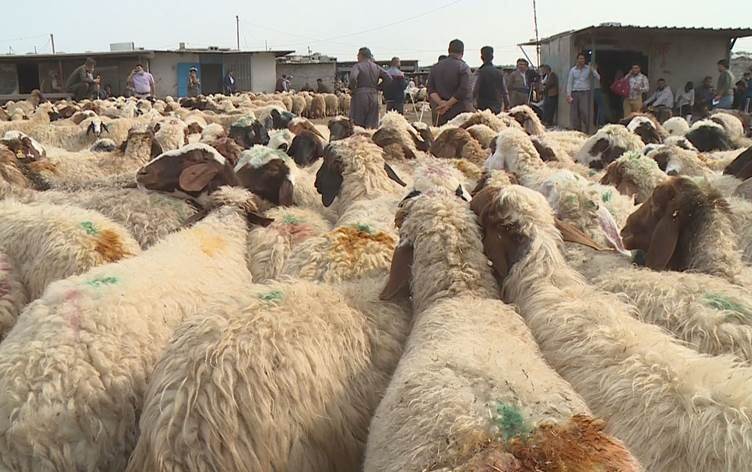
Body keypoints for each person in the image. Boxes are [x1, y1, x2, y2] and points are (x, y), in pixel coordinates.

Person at [427, 39, 473, 126]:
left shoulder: (435, 67)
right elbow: (463, 90)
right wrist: (448, 104)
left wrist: (441, 103)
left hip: (440, 113)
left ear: (448, 50)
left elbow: (430, 89)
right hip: (460, 115)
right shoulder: (464, 67)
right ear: (462, 52)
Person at [349, 47, 391, 128]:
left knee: (358, 125)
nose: (357, 57)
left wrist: (353, 89)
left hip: (360, 96)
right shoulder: (376, 67)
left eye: (358, 55)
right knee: (372, 126)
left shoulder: (358, 66)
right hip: (374, 97)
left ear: (361, 55)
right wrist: (379, 87)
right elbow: (388, 78)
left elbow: (353, 78)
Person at [565, 53, 599, 132]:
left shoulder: (588, 69)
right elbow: (569, 83)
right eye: (580, 59)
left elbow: (598, 77)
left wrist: (593, 69)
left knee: (584, 112)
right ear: (577, 60)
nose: (581, 60)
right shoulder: (573, 70)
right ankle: (577, 130)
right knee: (575, 113)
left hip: (584, 92)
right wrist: (568, 95)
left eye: (583, 59)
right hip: (575, 92)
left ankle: (587, 129)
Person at [473, 46, 509, 114]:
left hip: (482, 107)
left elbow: (474, 90)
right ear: (492, 57)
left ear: (481, 58)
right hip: (496, 107)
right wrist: (507, 105)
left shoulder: (479, 72)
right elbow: (504, 92)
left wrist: (472, 103)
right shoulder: (499, 72)